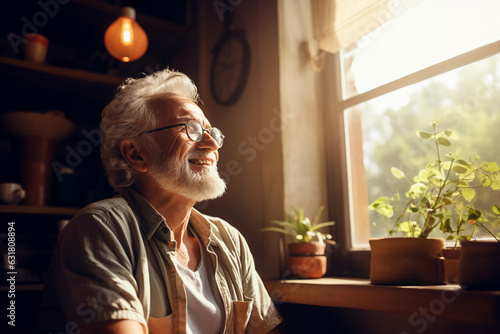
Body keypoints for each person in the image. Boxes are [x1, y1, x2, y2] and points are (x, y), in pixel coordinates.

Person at [37, 69, 283, 334]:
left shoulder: (229, 240)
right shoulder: (100, 228)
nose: (212, 144)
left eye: (212, 132)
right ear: (136, 154)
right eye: (192, 129)